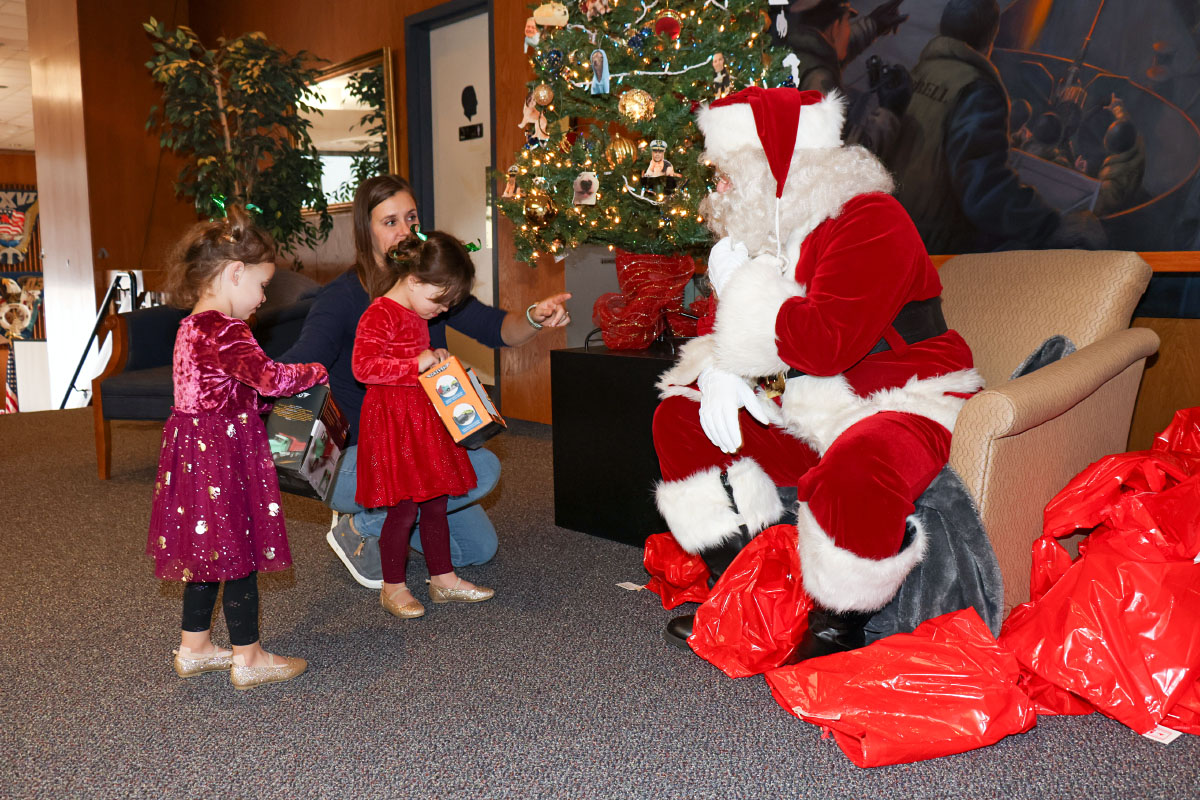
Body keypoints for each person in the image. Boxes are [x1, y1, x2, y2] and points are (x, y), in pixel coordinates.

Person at [653, 86, 983, 661]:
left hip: (900, 397)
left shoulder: (871, 218)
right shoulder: (767, 235)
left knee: (858, 464)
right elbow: (730, 339)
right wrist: (722, 373)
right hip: (801, 400)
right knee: (679, 418)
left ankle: (838, 626)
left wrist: (741, 287)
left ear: (775, 165)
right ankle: (747, 590)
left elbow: (827, 344)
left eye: (728, 173)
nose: (718, 190)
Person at [279, 175, 571, 590]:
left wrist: (534, 317)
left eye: (411, 218)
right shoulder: (342, 299)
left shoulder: (433, 286)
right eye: (390, 222)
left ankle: (396, 519)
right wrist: (238, 376)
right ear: (365, 230)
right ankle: (361, 524)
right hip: (359, 456)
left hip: (417, 442)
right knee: (483, 468)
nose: (405, 231)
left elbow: (496, 328)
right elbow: (301, 361)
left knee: (476, 549)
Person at [147, 208, 328, 690]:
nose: (263, 297)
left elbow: (227, 388)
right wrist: (314, 371)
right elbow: (270, 378)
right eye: (262, 285)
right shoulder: (226, 330)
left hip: (192, 454)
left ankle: (195, 647)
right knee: (238, 550)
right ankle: (250, 657)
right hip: (223, 454)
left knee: (205, 549)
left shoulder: (189, 326)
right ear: (234, 273)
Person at [885, 0, 1105, 253]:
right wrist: (1050, 225)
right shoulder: (977, 90)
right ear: (991, 36)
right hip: (936, 243)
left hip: (899, 228)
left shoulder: (921, 71)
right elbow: (984, 191)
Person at [353, 231, 495, 618]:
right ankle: (393, 587)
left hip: (422, 420)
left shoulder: (417, 312)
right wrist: (414, 363)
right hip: (394, 424)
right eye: (440, 300)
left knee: (435, 503)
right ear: (414, 280)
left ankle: (443, 579)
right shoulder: (380, 312)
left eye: (449, 303)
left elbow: (412, 356)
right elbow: (363, 367)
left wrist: (433, 355)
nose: (443, 310)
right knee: (403, 510)